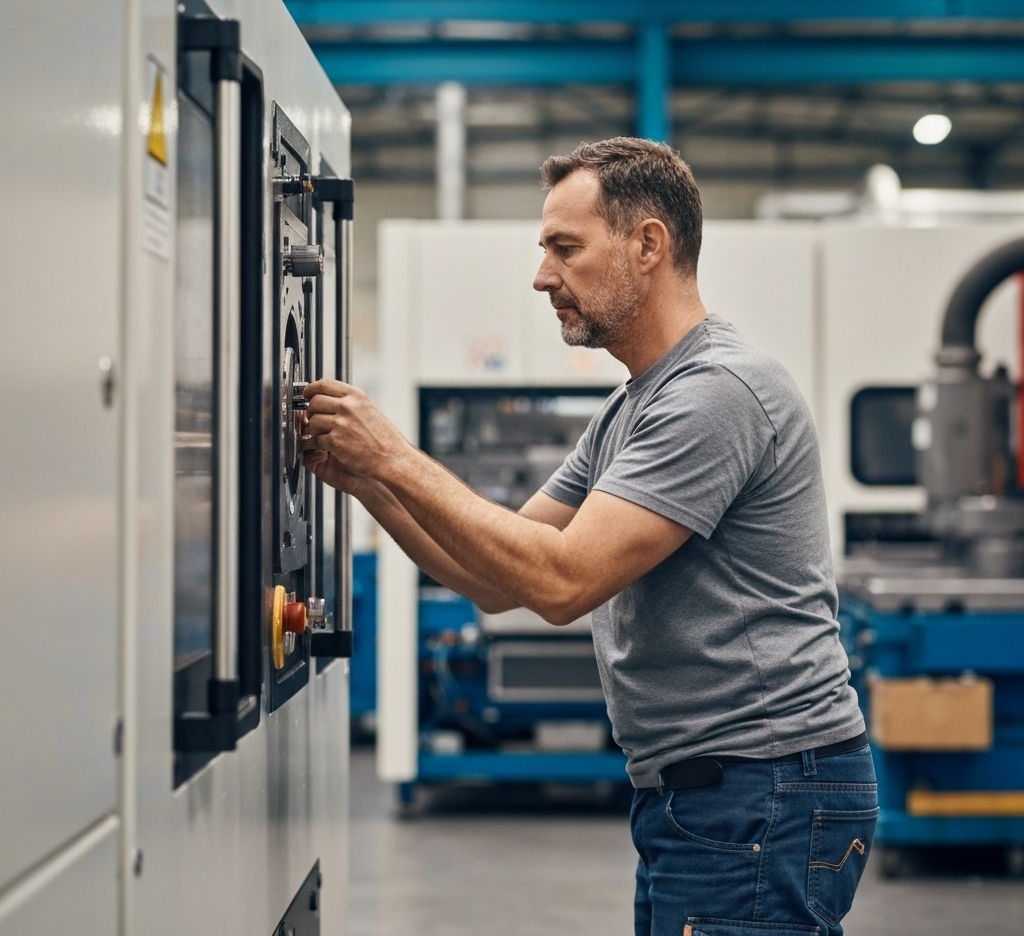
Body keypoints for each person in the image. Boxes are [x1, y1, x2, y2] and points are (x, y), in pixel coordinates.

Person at [302, 137, 877, 936]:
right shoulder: (633, 407)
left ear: (649, 244)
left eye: (565, 249)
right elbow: (498, 580)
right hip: (710, 793)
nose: (543, 276)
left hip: (763, 788)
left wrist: (396, 453)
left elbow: (563, 582)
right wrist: (368, 479)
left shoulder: (717, 393)